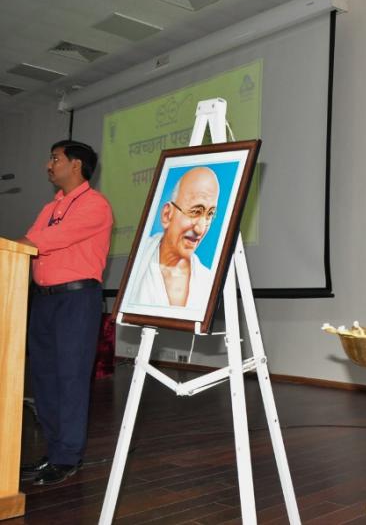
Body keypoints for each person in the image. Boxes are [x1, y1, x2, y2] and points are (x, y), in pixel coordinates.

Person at [18, 140, 113, 486]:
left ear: (76, 165)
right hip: (43, 301)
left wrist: (25, 244)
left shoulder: (95, 205)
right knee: (44, 378)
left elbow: (50, 239)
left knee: (70, 378)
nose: (48, 165)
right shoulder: (49, 208)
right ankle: (54, 451)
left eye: (54, 158)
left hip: (76, 301)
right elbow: (28, 243)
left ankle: (67, 457)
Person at [129, 166, 218, 309]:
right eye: (195, 211)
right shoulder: (139, 258)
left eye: (210, 214)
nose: (200, 229)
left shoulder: (207, 281)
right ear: (167, 215)